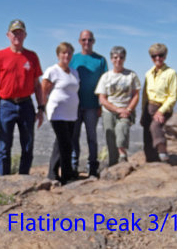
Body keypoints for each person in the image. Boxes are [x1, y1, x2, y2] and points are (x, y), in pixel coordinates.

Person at [0, 19, 44, 175]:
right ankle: (4, 183)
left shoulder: (32, 57)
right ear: (8, 35)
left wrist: (41, 108)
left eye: (20, 32)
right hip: (6, 105)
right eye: (14, 32)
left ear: (25, 35)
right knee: (4, 147)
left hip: (26, 105)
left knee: (28, 146)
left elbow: (37, 85)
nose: (17, 35)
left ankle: (23, 180)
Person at [70, 30, 108, 177]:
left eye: (90, 40)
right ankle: (73, 167)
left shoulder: (100, 60)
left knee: (92, 137)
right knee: (74, 137)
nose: (87, 43)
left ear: (94, 41)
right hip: (74, 106)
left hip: (92, 106)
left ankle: (92, 167)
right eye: (84, 40)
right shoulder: (73, 58)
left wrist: (101, 105)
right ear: (79, 41)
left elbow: (105, 84)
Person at [95, 46, 141, 166]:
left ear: (124, 59)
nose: (118, 60)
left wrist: (128, 109)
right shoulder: (106, 77)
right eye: (115, 57)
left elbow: (136, 95)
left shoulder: (131, 75)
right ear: (111, 59)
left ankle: (122, 155)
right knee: (110, 137)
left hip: (126, 110)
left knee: (121, 129)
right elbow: (102, 98)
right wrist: (116, 109)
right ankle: (113, 163)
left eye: (121, 57)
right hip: (109, 111)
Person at [41, 42, 80, 184]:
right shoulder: (52, 71)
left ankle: (52, 174)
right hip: (57, 113)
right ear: (58, 55)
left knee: (61, 143)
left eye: (69, 53)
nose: (66, 55)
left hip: (71, 114)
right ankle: (66, 175)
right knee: (66, 144)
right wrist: (43, 108)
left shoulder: (74, 72)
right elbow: (43, 91)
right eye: (64, 53)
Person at [141, 43, 177, 162]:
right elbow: (145, 95)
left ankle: (163, 154)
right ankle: (151, 160)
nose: (157, 58)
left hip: (163, 107)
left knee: (155, 126)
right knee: (147, 133)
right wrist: (143, 112)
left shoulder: (171, 73)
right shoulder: (148, 74)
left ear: (165, 56)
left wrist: (161, 111)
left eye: (160, 55)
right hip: (149, 106)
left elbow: (172, 96)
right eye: (154, 56)